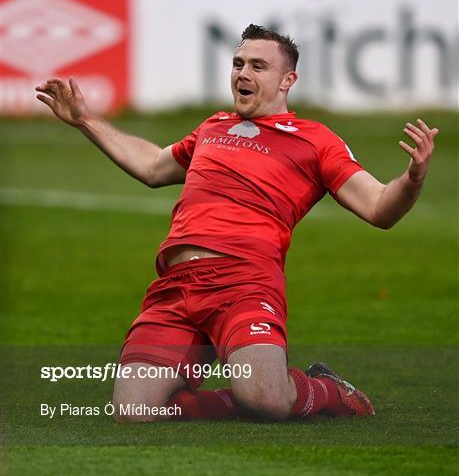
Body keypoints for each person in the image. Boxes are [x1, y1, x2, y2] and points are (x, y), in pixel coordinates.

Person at [36, 24, 439, 423]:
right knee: (133, 411)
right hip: (175, 288)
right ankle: (240, 400)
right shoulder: (212, 128)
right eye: (238, 63)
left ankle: (331, 392)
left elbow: (379, 207)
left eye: (258, 66)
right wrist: (85, 119)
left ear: (287, 80)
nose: (243, 73)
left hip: (244, 282)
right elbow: (152, 166)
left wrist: (412, 179)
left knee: (266, 398)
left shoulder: (316, 141)